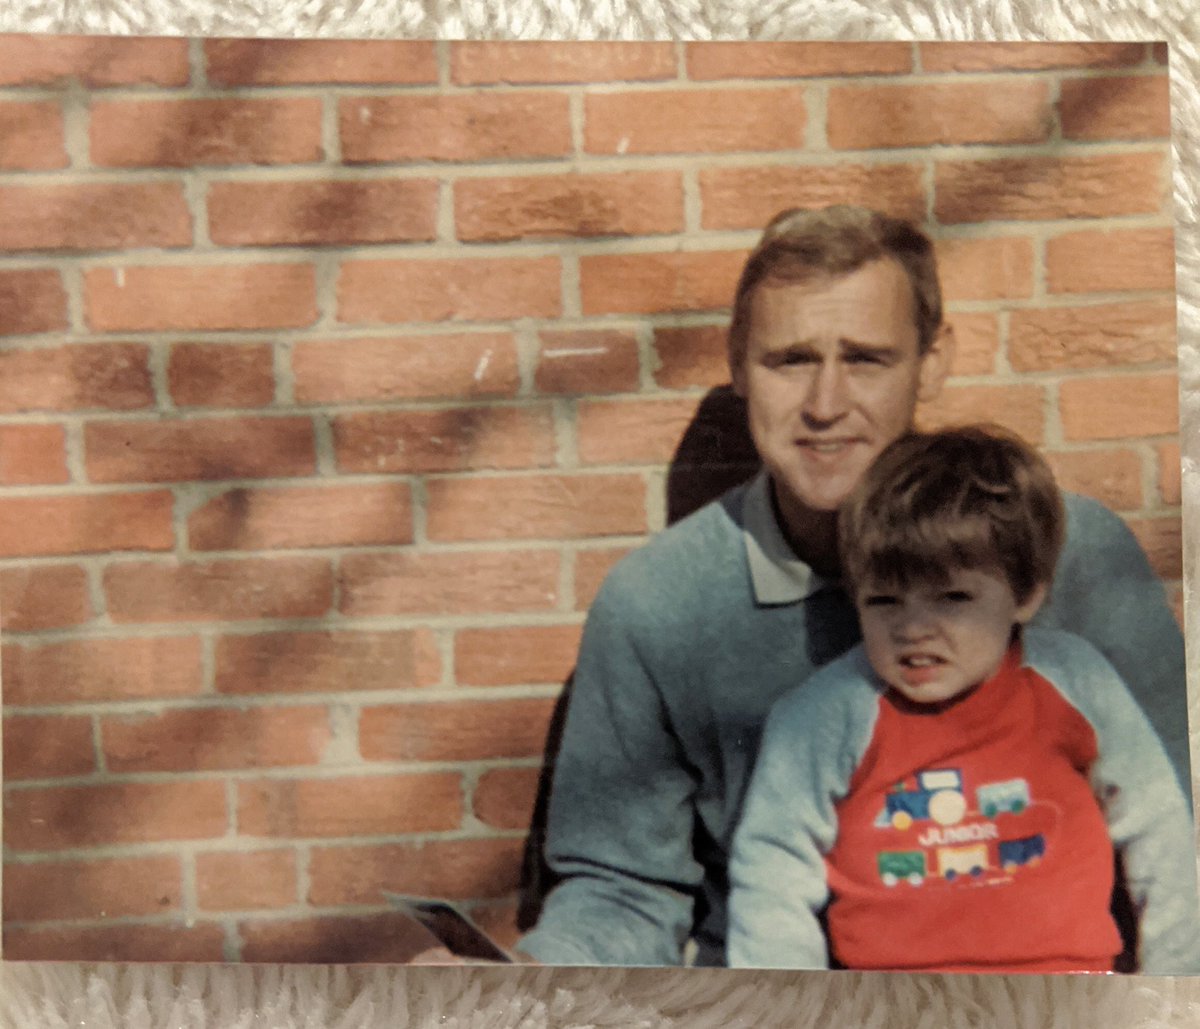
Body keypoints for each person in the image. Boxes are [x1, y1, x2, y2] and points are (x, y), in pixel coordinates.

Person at [512, 205, 1191, 966]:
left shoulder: (1075, 553)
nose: (825, 405)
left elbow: (1175, 829)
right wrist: (520, 980)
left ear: (932, 362)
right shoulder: (657, 606)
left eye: (866, 359)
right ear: (738, 365)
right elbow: (622, 890)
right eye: (790, 359)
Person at [726, 426, 1200, 973]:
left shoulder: (1073, 680)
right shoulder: (826, 713)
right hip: (895, 1000)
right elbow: (773, 872)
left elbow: (1160, 832)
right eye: (884, 600)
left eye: (952, 598)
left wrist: (1176, 987)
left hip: (1065, 990)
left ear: (1025, 595)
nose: (914, 628)